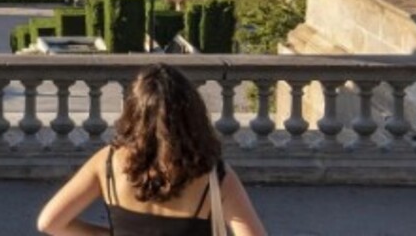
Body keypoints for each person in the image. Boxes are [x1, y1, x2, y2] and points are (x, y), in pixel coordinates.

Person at [37, 64, 266, 236]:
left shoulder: (107, 163)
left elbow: (50, 222)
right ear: (193, 115)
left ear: (133, 112)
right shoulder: (214, 175)